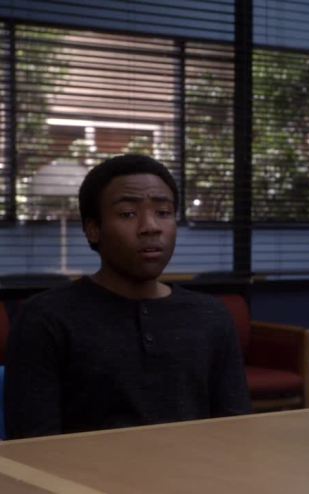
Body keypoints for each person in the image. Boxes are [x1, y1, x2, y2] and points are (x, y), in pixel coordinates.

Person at [4, 154, 251, 439]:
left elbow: (236, 431)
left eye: (163, 212)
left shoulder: (211, 316)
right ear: (93, 229)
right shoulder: (45, 318)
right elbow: (33, 445)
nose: (151, 226)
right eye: (128, 214)